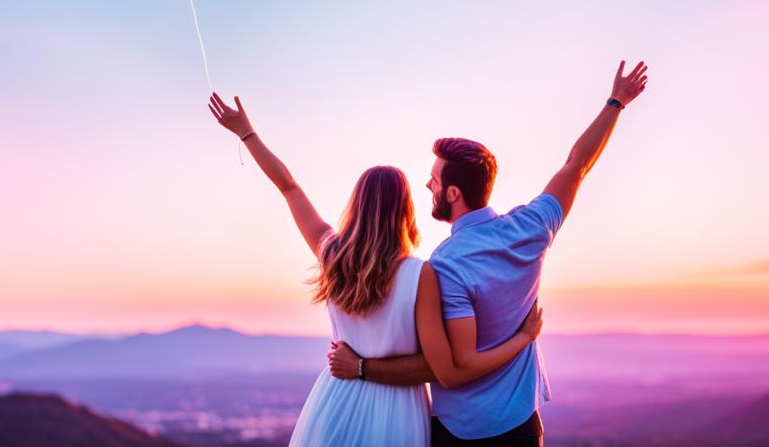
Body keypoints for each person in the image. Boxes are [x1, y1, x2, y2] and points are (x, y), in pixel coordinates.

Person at [328, 61, 649, 446]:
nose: (428, 184)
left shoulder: (446, 265)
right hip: (521, 424)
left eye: (435, 179)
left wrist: (362, 367)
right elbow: (577, 166)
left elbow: (458, 366)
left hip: (463, 431)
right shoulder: (530, 227)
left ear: (453, 194)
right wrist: (616, 102)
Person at [209, 93, 545, 447]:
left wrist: (247, 134)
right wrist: (523, 338)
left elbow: (289, 188)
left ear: (357, 204)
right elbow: (440, 368)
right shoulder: (421, 275)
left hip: (336, 400)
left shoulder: (333, 256)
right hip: (398, 410)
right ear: (405, 211)